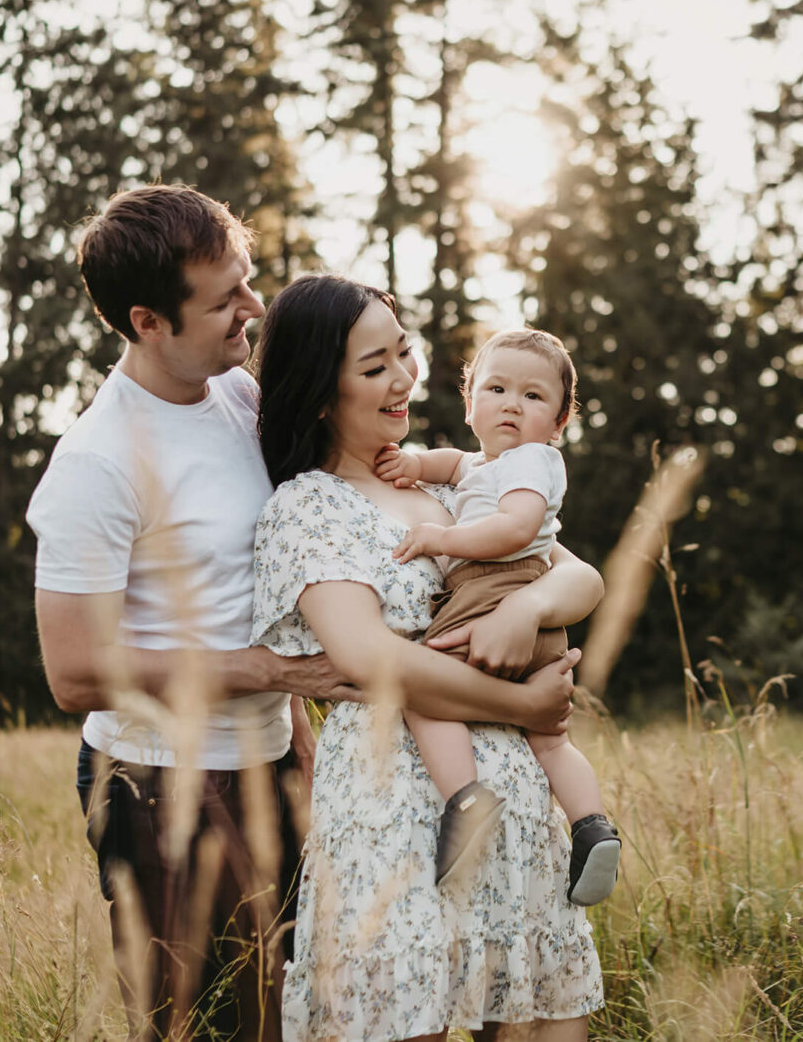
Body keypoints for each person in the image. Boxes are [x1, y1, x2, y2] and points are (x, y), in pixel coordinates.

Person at [27, 185, 358, 1042]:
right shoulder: (97, 463)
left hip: (271, 763)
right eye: (225, 299)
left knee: (286, 1009)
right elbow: (73, 671)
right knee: (203, 1028)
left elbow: (260, 587)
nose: (255, 307)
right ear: (148, 321)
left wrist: (301, 748)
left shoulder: (240, 400)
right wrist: (270, 671)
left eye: (247, 280)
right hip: (155, 791)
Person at [250, 275, 606, 1042]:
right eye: (374, 366)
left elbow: (577, 573)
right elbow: (369, 654)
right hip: (399, 816)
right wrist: (522, 705)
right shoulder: (308, 505)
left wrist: (528, 606)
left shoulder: (448, 488)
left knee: (541, 1022)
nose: (404, 378)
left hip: (514, 810)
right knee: (407, 1016)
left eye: (403, 353)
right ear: (319, 391)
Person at [373, 328, 621, 906]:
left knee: (422, 693)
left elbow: (515, 529)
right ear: (471, 404)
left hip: (496, 595)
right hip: (529, 620)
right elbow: (447, 464)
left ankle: (466, 799)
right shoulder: (485, 464)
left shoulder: (533, 462)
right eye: (498, 388)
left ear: (559, 423)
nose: (512, 403)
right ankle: (591, 827)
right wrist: (412, 463)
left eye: (534, 398)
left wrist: (444, 536)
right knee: (550, 740)